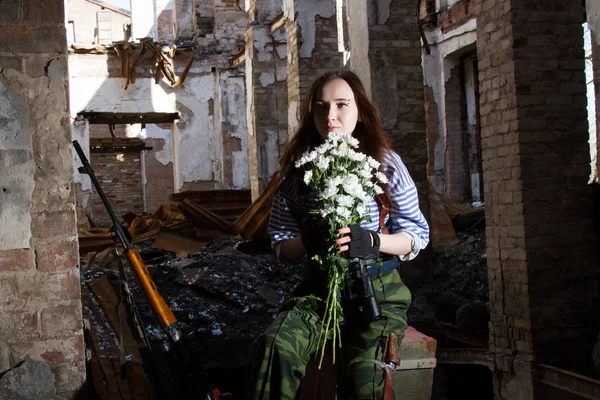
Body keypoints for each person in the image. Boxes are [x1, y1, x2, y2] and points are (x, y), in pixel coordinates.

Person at [249, 70, 430, 400]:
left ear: (359, 110)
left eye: (341, 105)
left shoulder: (384, 164)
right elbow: (280, 245)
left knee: (366, 376)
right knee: (275, 348)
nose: (330, 116)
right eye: (320, 107)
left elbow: (417, 235)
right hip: (318, 292)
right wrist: (306, 242)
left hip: (377, 291)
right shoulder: (300, 170)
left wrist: (374, 241)